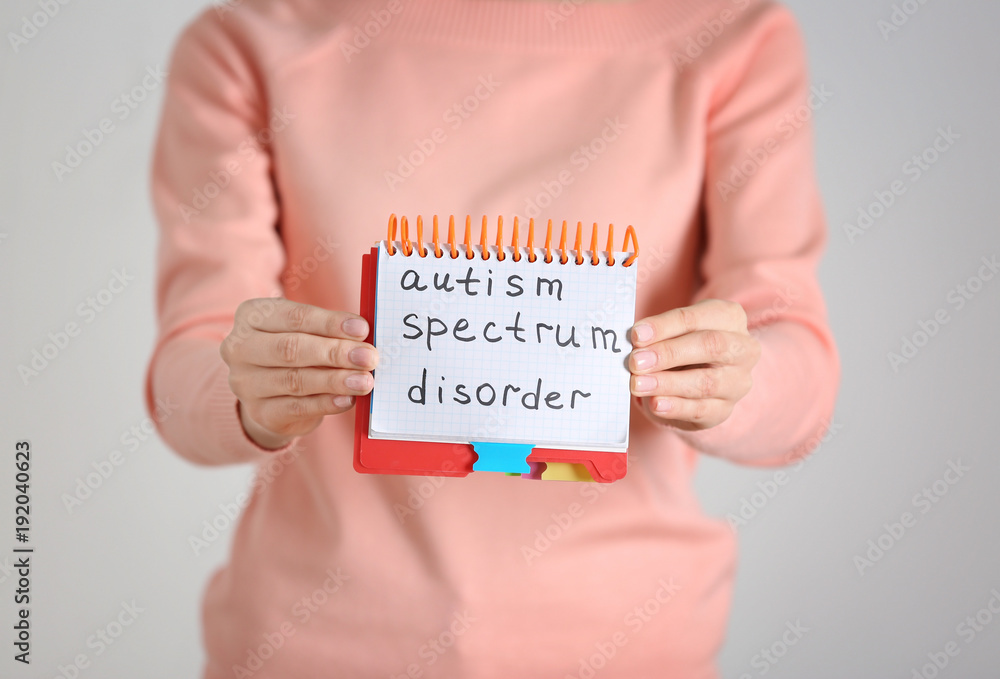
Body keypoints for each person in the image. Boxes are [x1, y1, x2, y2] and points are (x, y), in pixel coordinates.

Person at [147, 0, 839, 676]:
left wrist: (732, 383)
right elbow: (192, 359)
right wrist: (244, 391)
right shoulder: (246, 41)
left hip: (630, 643)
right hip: (308, 645)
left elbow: (794, 357)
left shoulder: (733, 35)